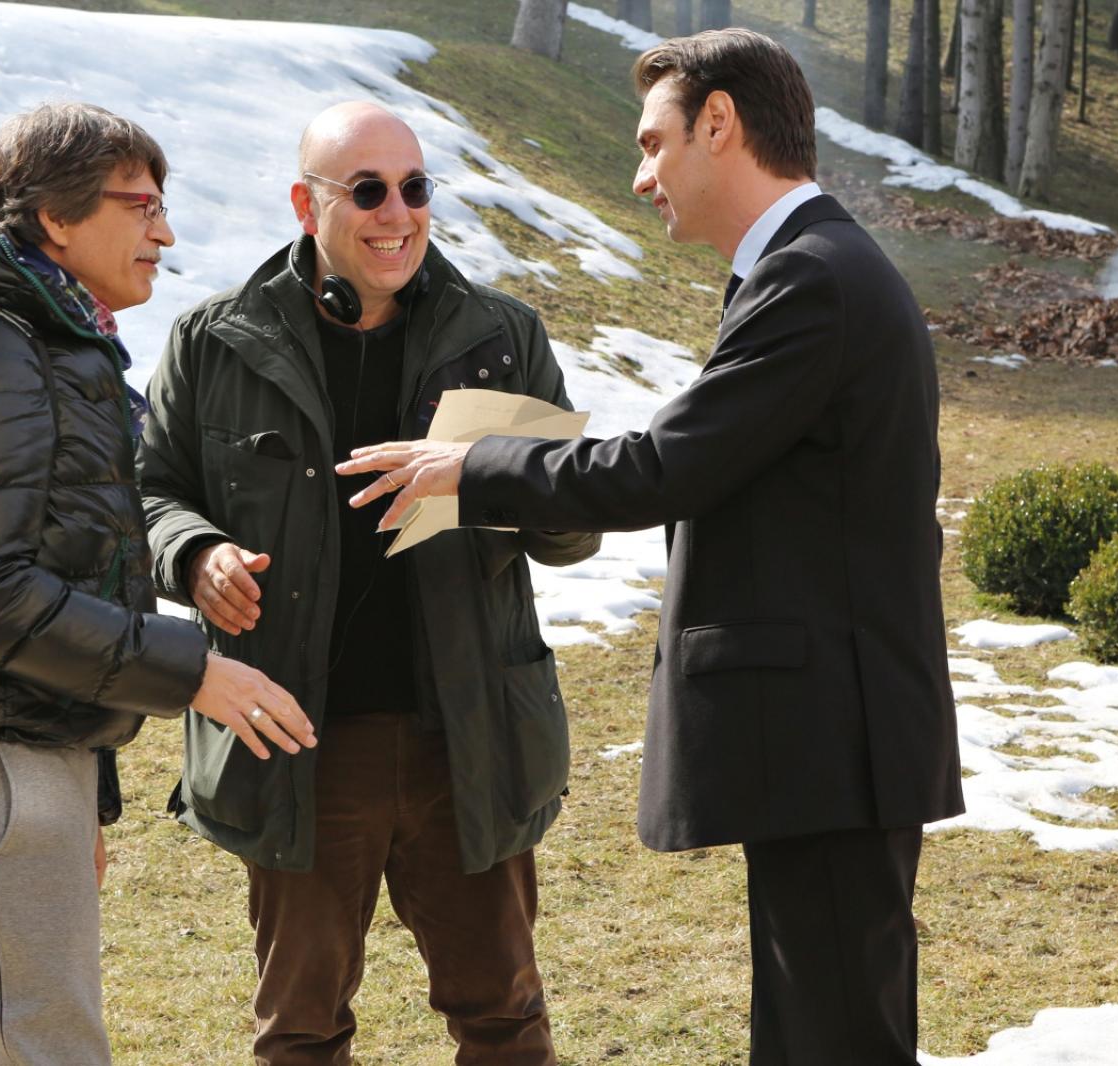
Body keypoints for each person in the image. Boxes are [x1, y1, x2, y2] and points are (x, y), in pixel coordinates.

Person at [337, 31, 963, 1066]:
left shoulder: (814, 278)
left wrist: (471, 467)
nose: (639, 176)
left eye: (650, 143)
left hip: (832, 740)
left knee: (835, 1037)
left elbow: (666, 466)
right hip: (830, 738)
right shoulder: (814, 268)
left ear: (718, 123)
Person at [0, 102, 315, 1066]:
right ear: (55, 217)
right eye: (141, 206)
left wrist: (86, 782)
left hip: (27, 757)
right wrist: (195, 672)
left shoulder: (50, 347)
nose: (164, 233)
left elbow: (70, 572)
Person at [137, 101, 599, 1065]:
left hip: (467, 738)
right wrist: (194, 553)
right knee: (301, 1031)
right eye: (369, 190)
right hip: (298, 740)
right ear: (306, 204)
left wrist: (503, 477)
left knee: (505, 1021)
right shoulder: (212, 342)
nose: (399, 214)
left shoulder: (504, 335)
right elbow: (147, 495)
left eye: (416, 188)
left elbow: (572, 532)